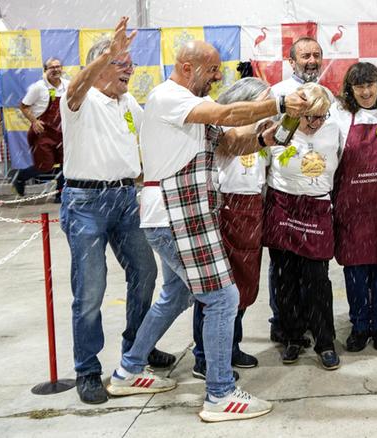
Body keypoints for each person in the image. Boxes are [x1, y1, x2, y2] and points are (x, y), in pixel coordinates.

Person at [110, 39, 309, 422]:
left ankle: (128, 369)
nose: (219, 76)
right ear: (187, 67)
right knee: (223, 298)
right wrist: (280, 103)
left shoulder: (190, 109)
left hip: (178, 216)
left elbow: (232, 142)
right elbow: (231, 114)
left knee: (174, 296)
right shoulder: (169, 96)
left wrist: (271, 134)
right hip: (176, 215)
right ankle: (219, 393)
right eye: (213, 69)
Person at [58, 18, 163, 405]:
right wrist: (106, 53)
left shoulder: (128, 102)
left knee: (146, 273)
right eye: (122, 63)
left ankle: (137, 349)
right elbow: (74, 88)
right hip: (85, 204)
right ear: (100, 65)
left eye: (129, 63)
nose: (130, 70)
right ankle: (87, 370)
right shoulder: (80, 100)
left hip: (124, 199)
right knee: (90, 290)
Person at [190, 77, 272, 379]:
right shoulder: (224, 127)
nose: (267, 108)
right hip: (227, 207)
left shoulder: (262, 129)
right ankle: (204, 356)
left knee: (244, 286)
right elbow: (235, 145)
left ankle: (230, 345)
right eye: (262, 101)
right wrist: (258, 122)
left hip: (252, 207)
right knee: (218, 289)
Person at [265, 83, 342, 370]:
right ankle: (292, 337)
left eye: (321, 116)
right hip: (283, 204)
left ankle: (325, 342)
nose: (315, 123)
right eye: (309, 117)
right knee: (286, 279)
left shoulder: (333, 130)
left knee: (317, 280)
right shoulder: (283, 128)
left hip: (317, 207)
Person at [333, 63, 377, 353]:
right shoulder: (340, 118)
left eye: (370, 84)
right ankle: (359, 326)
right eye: (359, 86)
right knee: (356, 273)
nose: (365, 91)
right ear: (350, 90)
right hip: (353, 210)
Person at [266, 36, 329, 344]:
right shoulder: (276, 95)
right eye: (305, 56)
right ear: (291, 61)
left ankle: (312, 329)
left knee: (315, 273)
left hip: (315, 197)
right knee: (283, 270)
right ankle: (284, 326)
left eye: (316, 55)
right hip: (282, 196)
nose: (311, 60)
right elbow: (262, 142)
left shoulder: (328, 95)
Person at [16, 57, 68, 195]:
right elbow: (23, 106)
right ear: (45, 70)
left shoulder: (67, 85)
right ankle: (20, 177)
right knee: (45, 166)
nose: (56, 70)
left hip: (62, 131)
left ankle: (60, 194)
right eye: (52, 67)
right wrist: (34, 121)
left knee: (65, 163)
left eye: (58, 66)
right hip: (43, 132)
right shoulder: (39, 87)